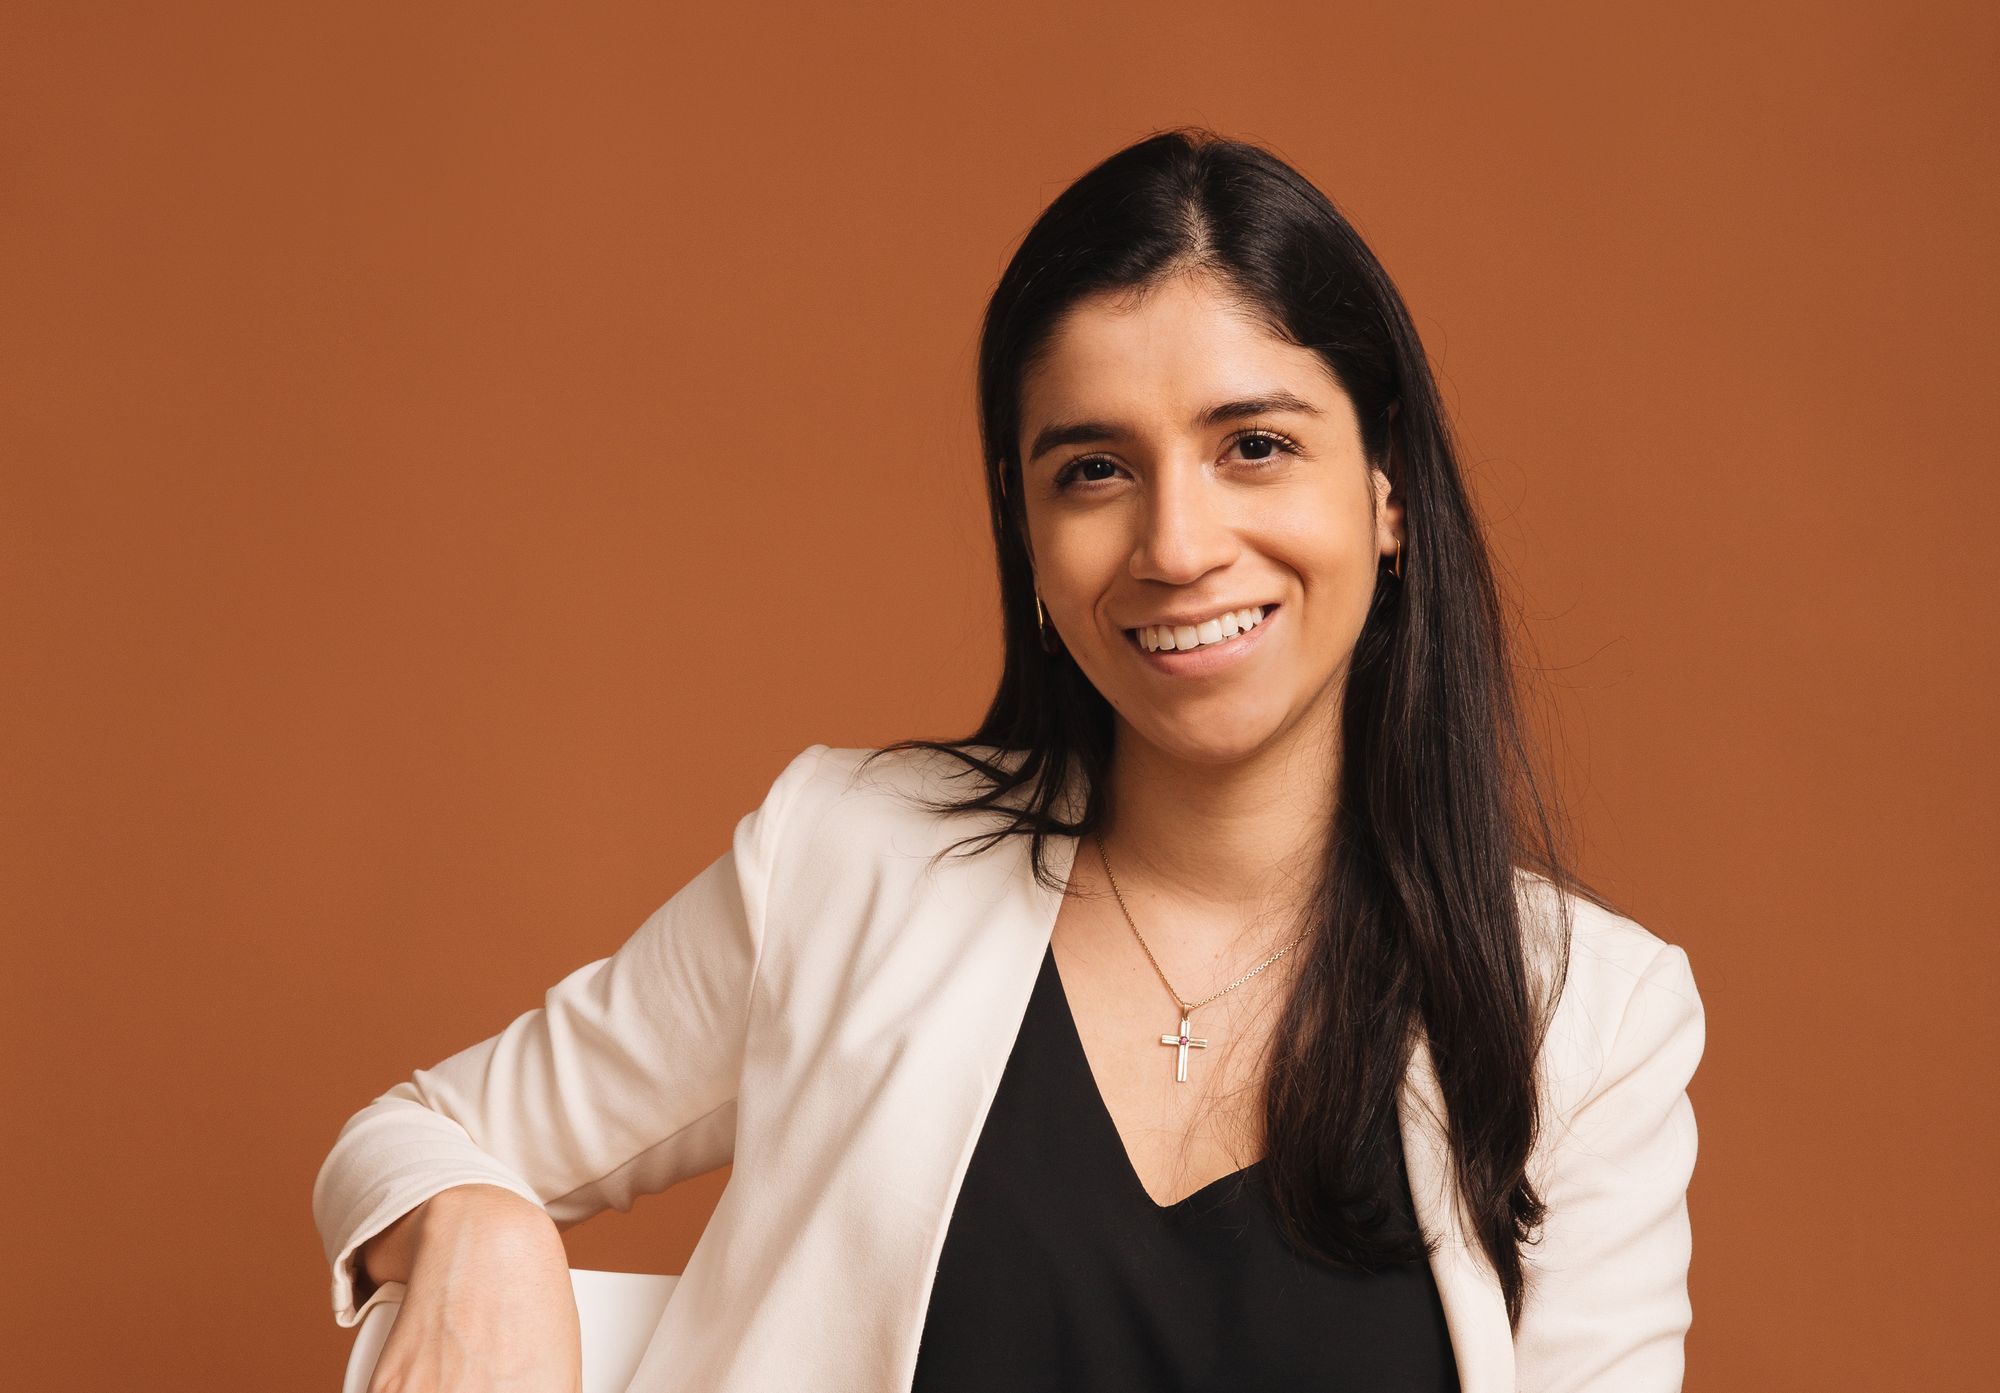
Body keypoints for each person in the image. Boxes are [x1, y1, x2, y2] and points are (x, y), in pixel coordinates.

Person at [313, 127, 1704, 1392]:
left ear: (1387, 489)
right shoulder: (847, 858)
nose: (1176, 544)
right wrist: (475, 1223)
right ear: (1028, 536)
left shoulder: (1586, 1019)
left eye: (1256, 446)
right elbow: (414, 1135)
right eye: (1095, 468)